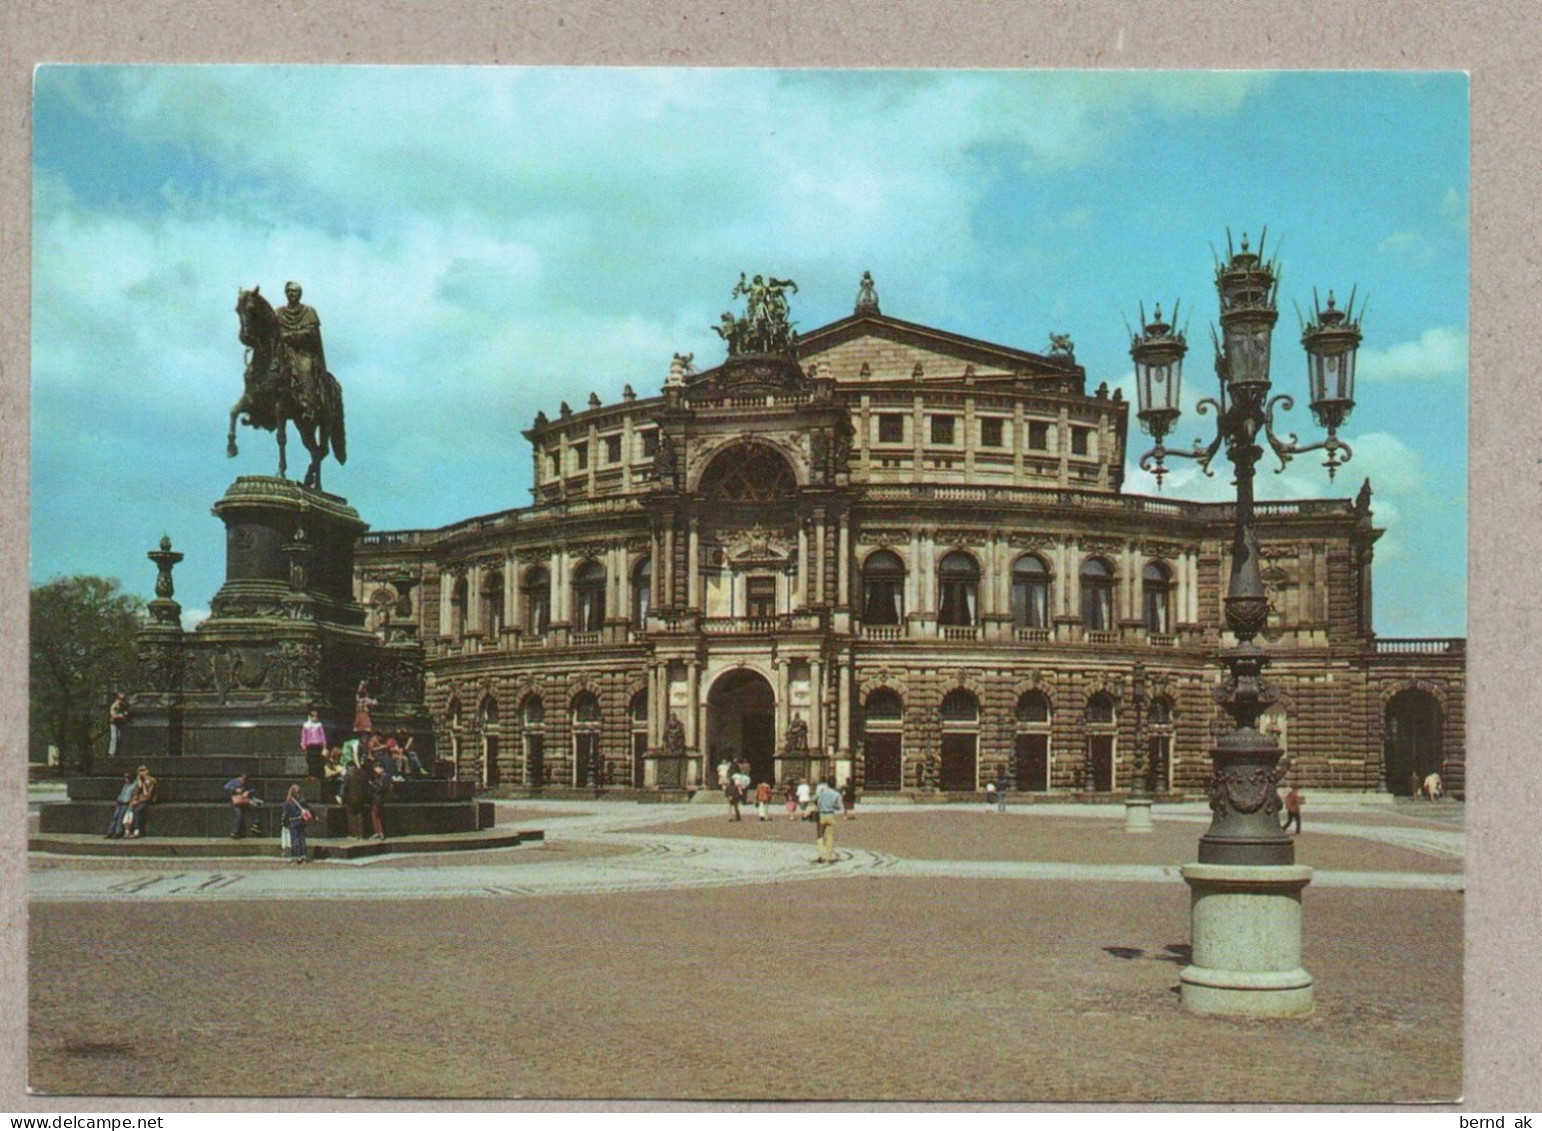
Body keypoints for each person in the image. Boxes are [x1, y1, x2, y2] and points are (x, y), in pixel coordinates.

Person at [276, 280, 329, 417]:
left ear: (300, 294)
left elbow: (311, 333)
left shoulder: (309, 311)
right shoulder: (279, 313)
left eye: (294, 291)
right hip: (283, 351)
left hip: (302, 352)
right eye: (288, 291)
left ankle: (309, 405)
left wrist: (290, 335)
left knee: (306, 368)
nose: (291, 294)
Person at [281, 783, 314, 864]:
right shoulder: (302, 801)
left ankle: (295, 857)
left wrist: (284, 823)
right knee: (302, 839)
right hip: (301, 821)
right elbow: (309, 808)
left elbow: (285, 814)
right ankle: (303, 856)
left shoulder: (287, 802)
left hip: (292, 821)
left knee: (294, 840)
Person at [814, 779, 844, 864]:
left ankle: (820, 855)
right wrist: (832, 806)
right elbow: (839, 807)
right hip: (830, 815)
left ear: (827, 784)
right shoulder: (836, 794)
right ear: (834, 784)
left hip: (822, 815)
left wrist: (819, 804)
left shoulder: (822, 792)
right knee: (830, 837)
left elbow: (814, 799)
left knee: (820, 835)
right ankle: (828, 857)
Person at [225, 772, 262, 839]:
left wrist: (248, 792)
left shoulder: (248, 783)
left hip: (245, 800)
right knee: (238, 814)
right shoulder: (234, 781)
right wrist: (235, 789)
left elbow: (253, 789)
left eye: (245, 780)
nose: (243, 781)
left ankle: (256, 824)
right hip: (236, 801)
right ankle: (234, 832)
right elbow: (226, 787)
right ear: (239, 778)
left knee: (254, 808)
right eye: (242, 779)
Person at [342, 758, 370, 839]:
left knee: (351, 815)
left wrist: (342, 796)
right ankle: (361, 834)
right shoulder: (363, 773)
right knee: (360, 815)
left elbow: (345, 786)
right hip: (361, 798)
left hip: (350, 798)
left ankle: (353, 834)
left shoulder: (348, 774)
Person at [126, 764, 157, 838]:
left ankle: (136, 830)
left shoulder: (151, 781)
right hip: (139, 799)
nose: (142, 773)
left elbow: (148, 795)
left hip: (147, 800)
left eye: (143, 770)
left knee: (138, 810)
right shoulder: (138, 781)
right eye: (140, 771)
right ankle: (128, 830)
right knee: (130, 809)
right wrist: (134, 800)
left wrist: (138, 801)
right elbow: (135, 793)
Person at [104, 772, 135, 839]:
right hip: (120, 802)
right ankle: (110, 832)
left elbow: (132, 796)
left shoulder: (133, 786)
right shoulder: (125, 785)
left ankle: (118, 832)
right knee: (115, 817)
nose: (126, 779)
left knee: (120, 817)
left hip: (126, 803)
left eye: (127, 778)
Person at [300, 709, 327, 780]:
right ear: (310, 716)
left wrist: (324, 746)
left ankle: (317, 774)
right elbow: (304, 735)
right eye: (313, 716)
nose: (315, 718)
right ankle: (311, 774)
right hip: (310, 745)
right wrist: (303, 744)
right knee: (310, 760)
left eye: (316, 716)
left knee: (317, 760)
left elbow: (322, 736)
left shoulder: (319, 725)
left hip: (318, 745)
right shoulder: (306, 725)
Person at [368, 762, 392, 841]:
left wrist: (371, 784)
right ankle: (377, 831)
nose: (375, 770)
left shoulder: (384, 777)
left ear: (381, 768)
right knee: (375, 815)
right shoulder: (380, 777)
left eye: (377, 768)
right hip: (377, 798)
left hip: (378, 799)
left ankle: (379, 832)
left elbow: (380, 788)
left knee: (375, 815)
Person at [107, 692, 130, 758]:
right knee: (114, 737)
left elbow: (126, 712)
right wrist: (120, 716)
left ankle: (119, 752)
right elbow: (113, 715)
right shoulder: (114, 706)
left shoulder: (123, 705)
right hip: (114, 723)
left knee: (120, 737)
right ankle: (111, 753)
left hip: (120, 723)